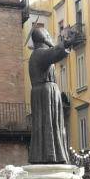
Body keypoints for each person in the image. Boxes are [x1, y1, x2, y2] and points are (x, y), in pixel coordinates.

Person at [28, 25, 70, 164]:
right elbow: (54, 53)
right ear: (44, 38)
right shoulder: (40, 54)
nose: (50, 37)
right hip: (46, 93)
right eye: (48, 35)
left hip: (43, 92)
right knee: (49, 124)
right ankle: (51, 156)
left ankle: (45, 155)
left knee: (46, 124)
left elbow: (53, 52)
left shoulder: (36, 54)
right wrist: (66, 43)